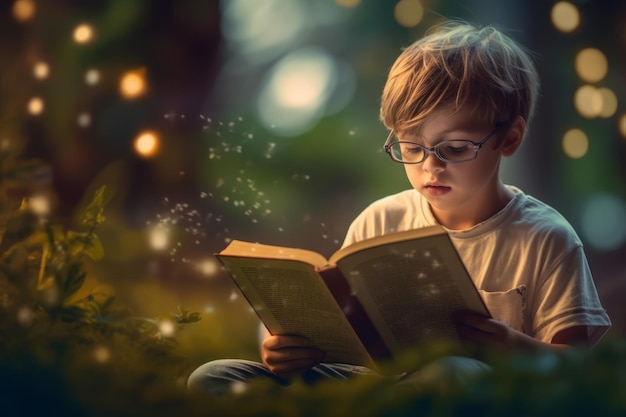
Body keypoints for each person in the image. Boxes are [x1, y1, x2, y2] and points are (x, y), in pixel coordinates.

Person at [187, 20, 611, 396]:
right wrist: (282, 345)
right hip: (372, 386)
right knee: (214, 377)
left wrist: (507, 346)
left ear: (510, 138)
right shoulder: (381, 219)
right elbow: (333, 318)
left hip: (474, 391)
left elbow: (577, 368)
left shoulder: (545, 237)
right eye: (411, 147)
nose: (430, 166)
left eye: (455, 147)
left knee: (452, 374)